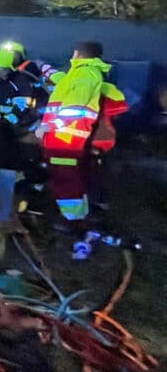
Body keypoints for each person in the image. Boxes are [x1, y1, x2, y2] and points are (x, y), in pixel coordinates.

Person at [37, 41, 128, 232]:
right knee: (73, 177)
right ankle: (81, 214)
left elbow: (75, 108)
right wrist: (42, 66)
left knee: (66, 179)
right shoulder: (82, 73)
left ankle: (72, 221)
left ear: (76, 53)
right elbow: (62, 81)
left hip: (64, 137)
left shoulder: (85, 73)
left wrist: (49, 126)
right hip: (65, 136)